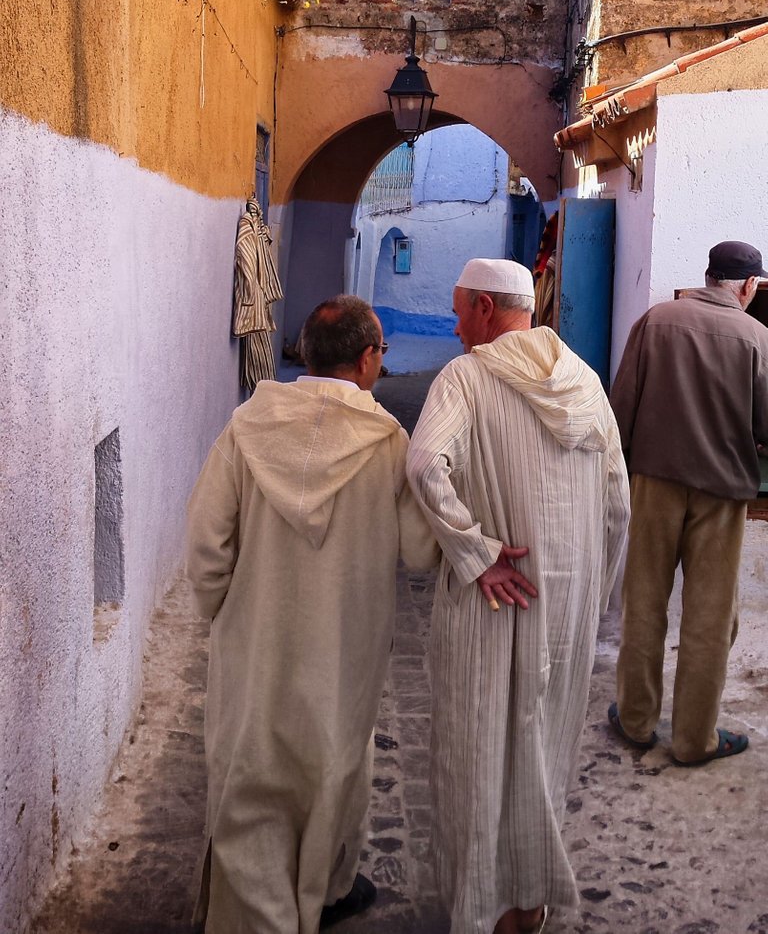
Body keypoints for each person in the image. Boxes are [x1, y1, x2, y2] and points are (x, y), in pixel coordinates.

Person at [186, 295, 437, 934]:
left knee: (253, 775)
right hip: (345, 649)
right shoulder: (386, 442)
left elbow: (208, 543)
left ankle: (256, 917)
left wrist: (225, 614)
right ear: (366, 359)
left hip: (256, 642)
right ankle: (325, 889)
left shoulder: (247, 428)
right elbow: (418, 549)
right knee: (334, 768)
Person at [406, 259, 630, 934]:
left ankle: (480, 912)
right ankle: (525, 910)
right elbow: (618, 504)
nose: (453, 325)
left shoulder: (467, 378)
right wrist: (596, 592)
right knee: (542, 755)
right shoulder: (588, 384)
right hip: (563, 608)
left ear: (481, 306)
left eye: (456, 311)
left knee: (481, 752)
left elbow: (422, 465)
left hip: (492, 602)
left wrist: (474, 552)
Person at [608, 239, 768, 766]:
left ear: (707, 275)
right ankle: (695, 738)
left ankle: (635, 720)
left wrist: (624, 472)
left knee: (645, 601)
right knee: (709, 616)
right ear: (748, 286)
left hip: (654, 483)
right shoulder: (757, 338)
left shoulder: (656, 321)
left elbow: (622, 403)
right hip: (722, 495)